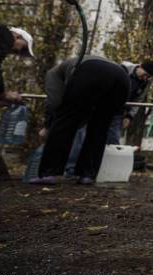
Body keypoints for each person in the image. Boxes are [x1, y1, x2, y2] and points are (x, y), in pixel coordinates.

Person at [32, 56, 130, 184]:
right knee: (100, 128)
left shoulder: (52, 74)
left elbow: (55, 104)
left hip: (91, 72)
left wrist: (48, 126)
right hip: (123, 80)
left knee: (64, 123)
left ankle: (51, 173)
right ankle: (87, 175)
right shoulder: (74, 64)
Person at [64, 60, 153, 176]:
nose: (145, 78)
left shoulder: (144, 82)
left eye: (149, 77)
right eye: (145, 74)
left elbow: (137, 100)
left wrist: (129, 116)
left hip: (118, 112)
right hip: (99, 106)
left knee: (113, 141)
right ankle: (70, 168)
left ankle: (104, 171)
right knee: (82, 135)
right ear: (139, 67)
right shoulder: (121, 70)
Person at [0, 16, 34, 105]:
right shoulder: (6, 36)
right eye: (23, 49)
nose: (18, 53)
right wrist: (2, 94)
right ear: (17, 36)